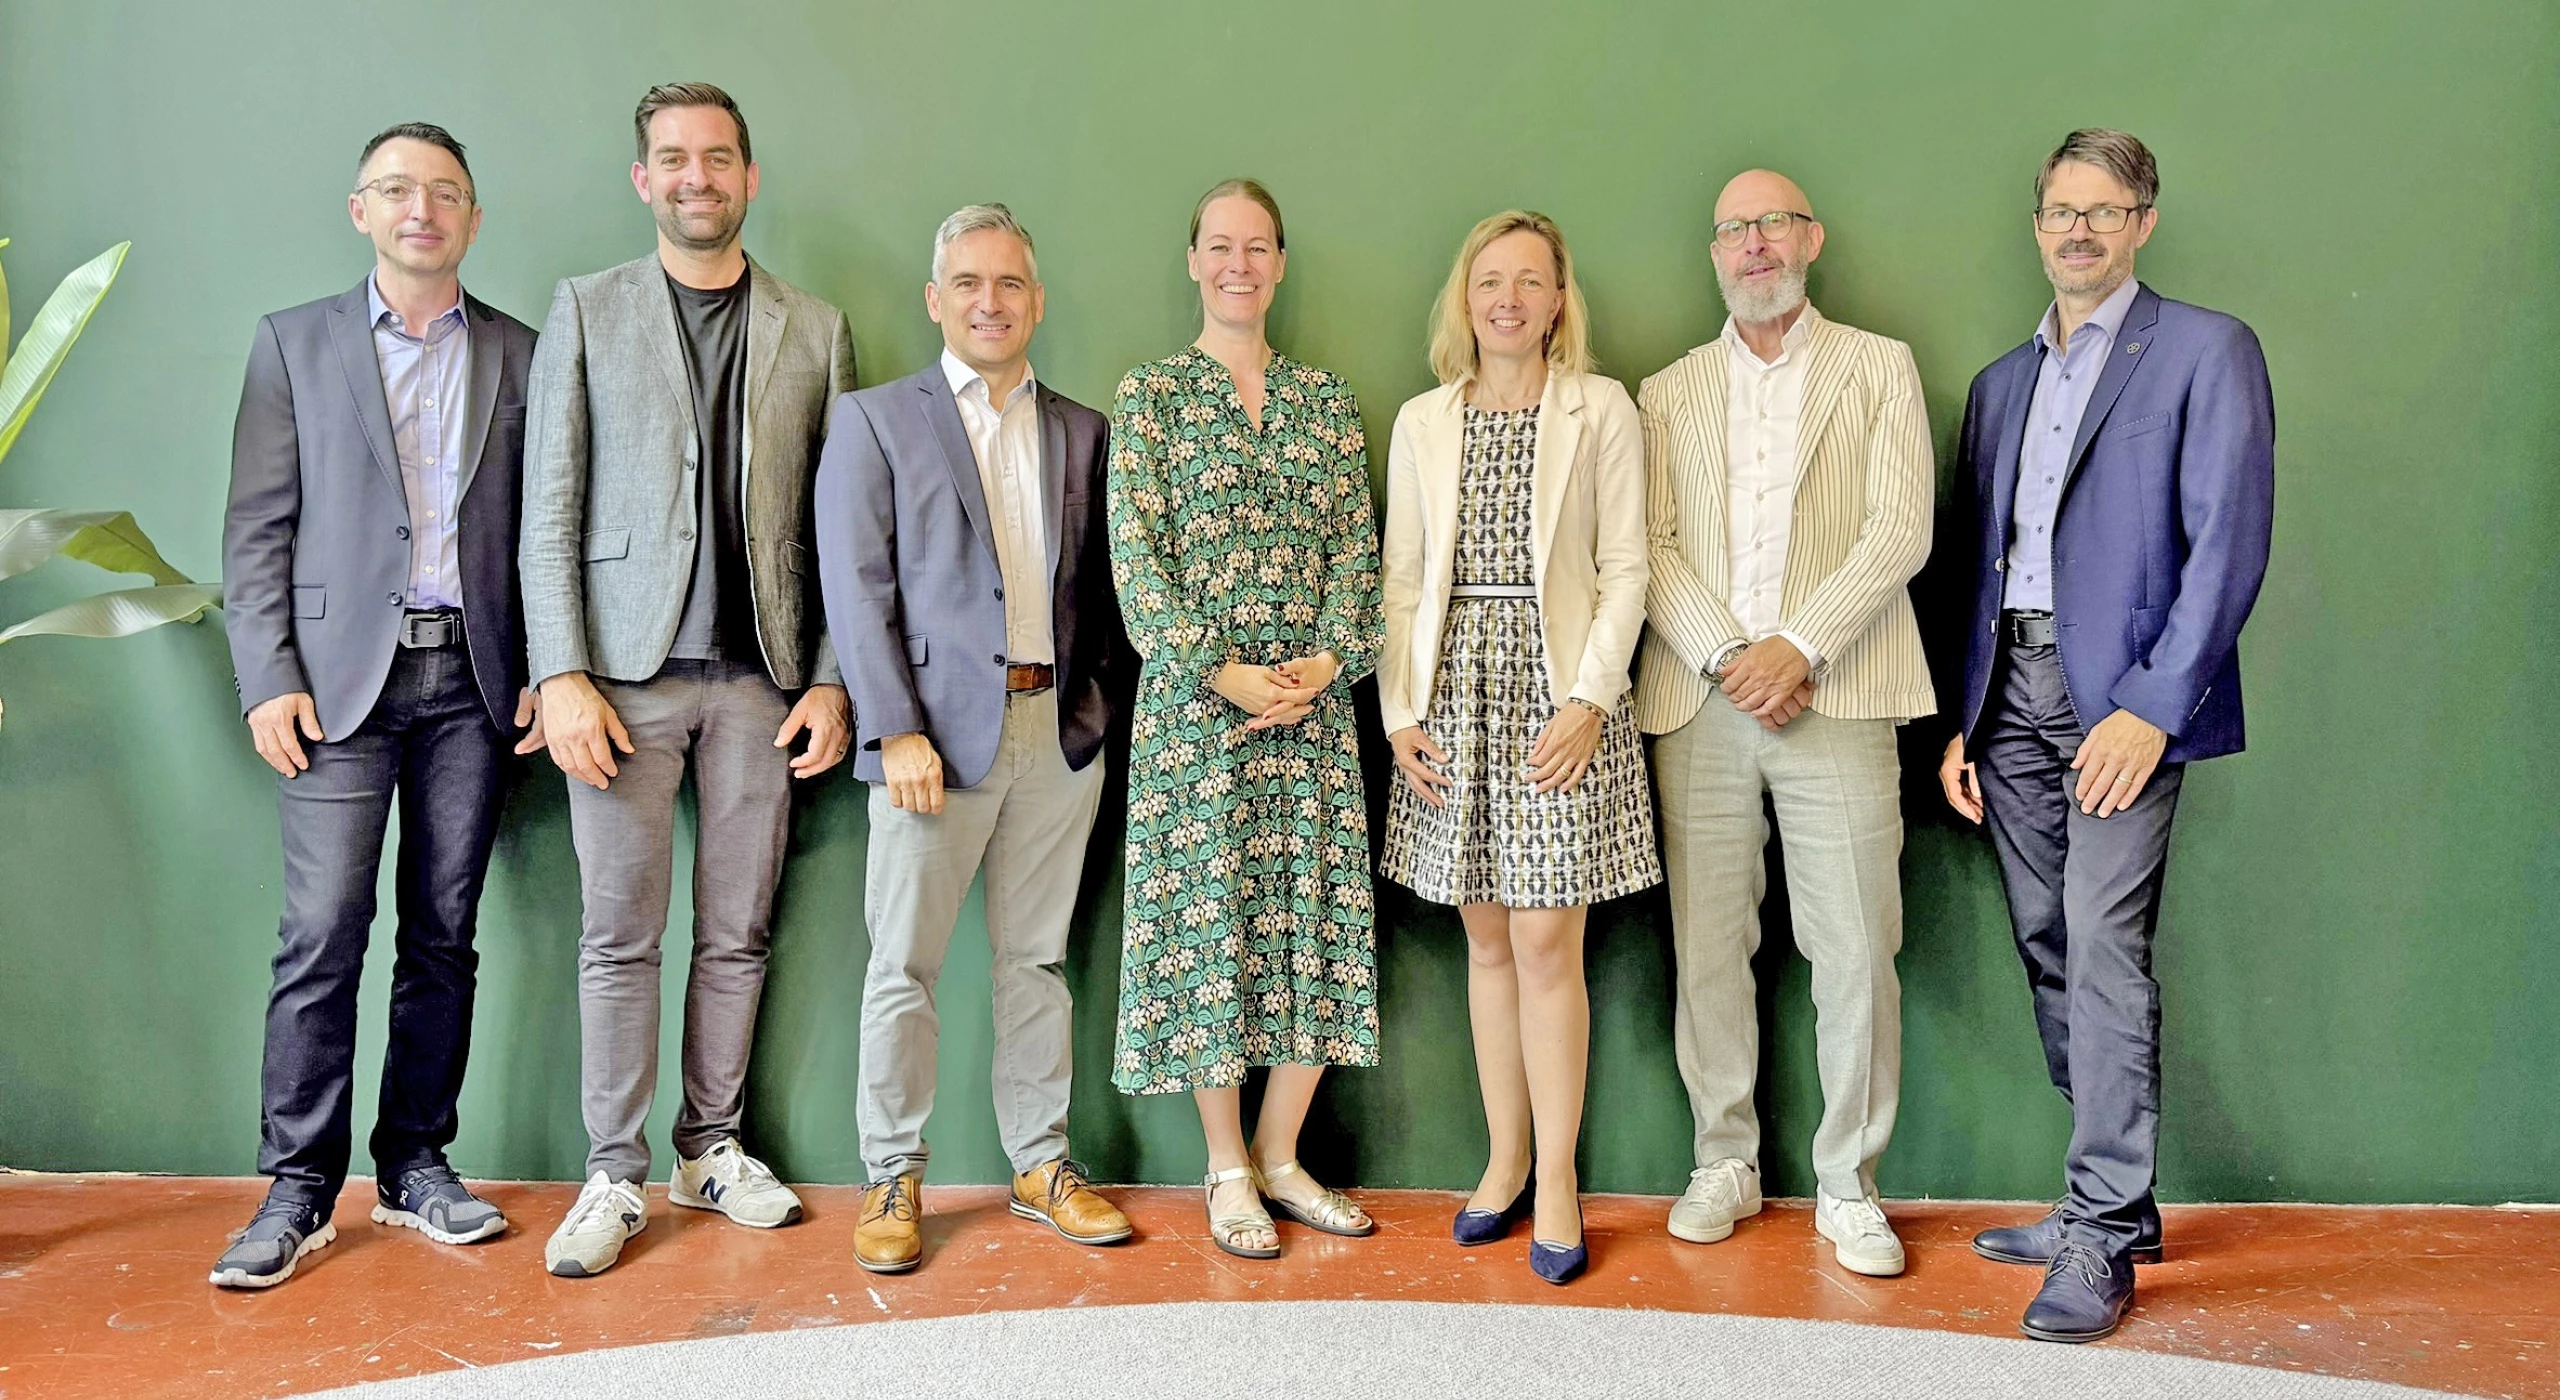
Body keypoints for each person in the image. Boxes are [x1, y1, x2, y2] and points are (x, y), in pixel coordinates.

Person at [1936, 128, 2274, 1342]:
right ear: (2037, 225)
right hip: (2008, 696)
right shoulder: (1999, 384)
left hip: (2121, 698)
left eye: (2102, 210)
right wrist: (1963, 718)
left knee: (2102, 945)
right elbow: (1985, 568)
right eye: (2058, 211)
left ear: (2141, 221)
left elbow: (2227, 541)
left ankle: (2098, 1227)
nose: (2076, 229)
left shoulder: (2202, 350)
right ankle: (2111, 1199)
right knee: (2043, 937)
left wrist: (2149, 703)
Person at [520, 82, 855, 1278]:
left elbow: (836, 526)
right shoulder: (585, 306)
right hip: (621, 680)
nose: (696, 177)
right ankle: (611, 1170)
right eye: (673, 158)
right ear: (643, 179)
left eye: (718, 158)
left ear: (750, 178)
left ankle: (708, 1147)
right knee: (618, 935)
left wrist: (827, 675)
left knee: (739, 932)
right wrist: (558, 671)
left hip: (762, 683)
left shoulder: (814, 326)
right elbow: (547, 504)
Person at [214, 122, 540, 1288]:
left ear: (472, 216)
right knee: (320, 938)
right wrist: (268, 676)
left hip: (476, 685)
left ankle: (415, 1164)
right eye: (397, 190)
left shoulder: (522, 353)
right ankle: (297, 1187)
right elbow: (255, 530)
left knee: (442, 935)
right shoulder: (291, 345)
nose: (421, 209)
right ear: (362, 209)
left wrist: (549, 668)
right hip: (337, 687)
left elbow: (547, 540)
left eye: (444, 191)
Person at [814, 204, 1132, 1274]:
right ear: (935, 297)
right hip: (930, 748)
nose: (989, 301)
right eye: (968, 283)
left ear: (1035, 301)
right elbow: (855, 591)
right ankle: (892, 1173)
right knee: (903, 964)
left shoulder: (1085, 431)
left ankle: (1040, 1163)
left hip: (1059, 733)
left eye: (1009, 284)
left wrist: (1096, 709)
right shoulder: (875, 421)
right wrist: (895, 727)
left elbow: (1104, 587)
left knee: (1035, 960)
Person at [1635, 170, 1936, 1279]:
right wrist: (1728, 653)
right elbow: (1649, 544)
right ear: (1713, 252)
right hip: (1701, 701)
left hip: (1841, 691)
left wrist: (1795, 646)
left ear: (1810, 237)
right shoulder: (1663, 393)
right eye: (1732, 228)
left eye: (1772, 223)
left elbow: (1898, 528)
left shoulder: (1878, 365)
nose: (1753, 244)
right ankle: (1725, 1158)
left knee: (1858, 944)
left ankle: (1849, 1184)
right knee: (1710, 944)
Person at [1105, 178, 1383, 1260]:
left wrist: (1321, 662)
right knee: (1212, 929)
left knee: (1311, 924)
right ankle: (1224, 1165)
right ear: (1192, 260)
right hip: (1196, 716)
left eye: (1256, 245)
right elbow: (1138, 559)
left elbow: (1360, 551)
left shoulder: (1325, 399)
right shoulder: (1154, 396)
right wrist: (1219, 669)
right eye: (1218, 245)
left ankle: (1280, 1153)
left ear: (1279, 262)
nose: (1237, 263)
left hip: (1310, 716)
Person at [1376, 211, 1655, 1286]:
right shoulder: (1421, 420)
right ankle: (1501, 1157)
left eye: (1527, 281)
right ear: (1466, 299)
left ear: (1556, 300)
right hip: (1453, 698)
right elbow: (1402, 580)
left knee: (1548, 942)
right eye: (1488, 280)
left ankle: (1557, 1179)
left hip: (1558, 700)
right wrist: (1401, 712)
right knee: (1485, 941)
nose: (1506, 298)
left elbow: (1626, 567)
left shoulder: (1602, 410)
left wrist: (1589, 697)